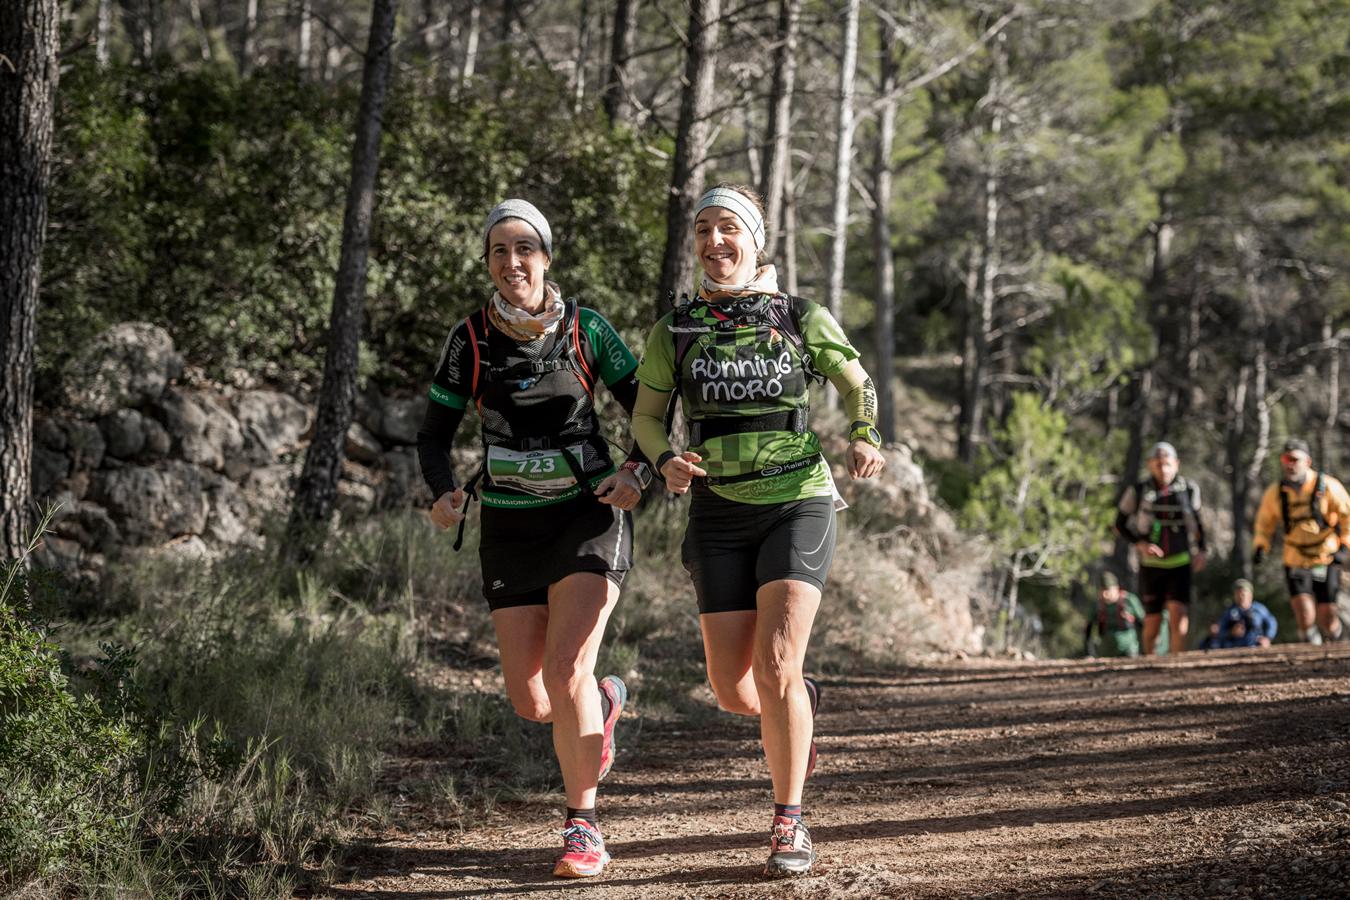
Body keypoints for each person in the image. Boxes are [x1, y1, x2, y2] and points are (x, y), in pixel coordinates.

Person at [629, 183, 886, 877]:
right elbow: (647, 417)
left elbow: (857, 382)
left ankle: (789, 823)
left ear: (756, 241)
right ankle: (800, 708)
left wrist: (864, 432)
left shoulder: (799, 316)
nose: (716, 242)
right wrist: (663, 460)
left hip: (796, 501)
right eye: (704, 230)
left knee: (776, 666)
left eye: (729, 229)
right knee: (732, 689)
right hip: (715, 512)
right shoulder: (675, 331)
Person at [416, 199, 653, 878]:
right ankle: (604, 708)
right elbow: (434, 433)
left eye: (525, 249)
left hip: (588, 516)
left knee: (568, 668)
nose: (512, 262)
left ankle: (583, 829)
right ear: (488, 262)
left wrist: (638, 472)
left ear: (546, 257)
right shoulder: (471, 338)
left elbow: (648, 410)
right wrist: (441, 494)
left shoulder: (587, 329)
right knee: (534, 700)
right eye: (498, 251)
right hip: (509, 525)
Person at [1251, 438, 1350, 644]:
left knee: (1327, 616)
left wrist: (1345, 545)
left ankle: (1339, 645)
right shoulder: (1276, 493)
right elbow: (1264, 522)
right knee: (1304, 615)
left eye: (1295, 459)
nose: (1290, 464)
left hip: (1326, 556)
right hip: (1295, 558)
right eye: (1286, 459)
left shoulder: (1329, 487)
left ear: (1308, 461)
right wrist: (1261, 545)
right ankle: (1311, 656)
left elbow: (1347, 516)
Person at [1114, 441, 1208, 655]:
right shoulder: (1138, 491)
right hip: (1151, 565)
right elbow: (1120, 523)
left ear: (1176, 464)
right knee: (1153, 621)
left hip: (1180, 561)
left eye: (1167, 464)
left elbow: (1199, 523)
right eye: (1157, 464)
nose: (1162, 469)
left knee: (1178, 613)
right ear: (1150, 465)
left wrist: (1202, 550)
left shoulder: (1189, 490)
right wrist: (1140, 543)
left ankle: (1177, 663)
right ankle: (1151, 663)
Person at [1084, 572, 1146, 658]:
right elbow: (1088, 629)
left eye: (1107, 589)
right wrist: (1089, 653)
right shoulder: (1097, 605)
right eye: (1102, 590)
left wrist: (1144, 650)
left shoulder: (1129, 600)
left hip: (1128, 648)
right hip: (1105, 650)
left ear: (1116, 588)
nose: (1104, 594)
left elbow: (1143, 623)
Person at [1216, 578, 1278, 649]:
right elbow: (1220, 633)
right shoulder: (1229, 612)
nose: (1240, 597)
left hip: (1256, 647)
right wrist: (1231, 632)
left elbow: (1272, 623)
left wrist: (1267, 638)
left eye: (1243, 594)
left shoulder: (1259, 609)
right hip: (1235, 649)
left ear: (1250, 595)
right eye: (1237, 594)